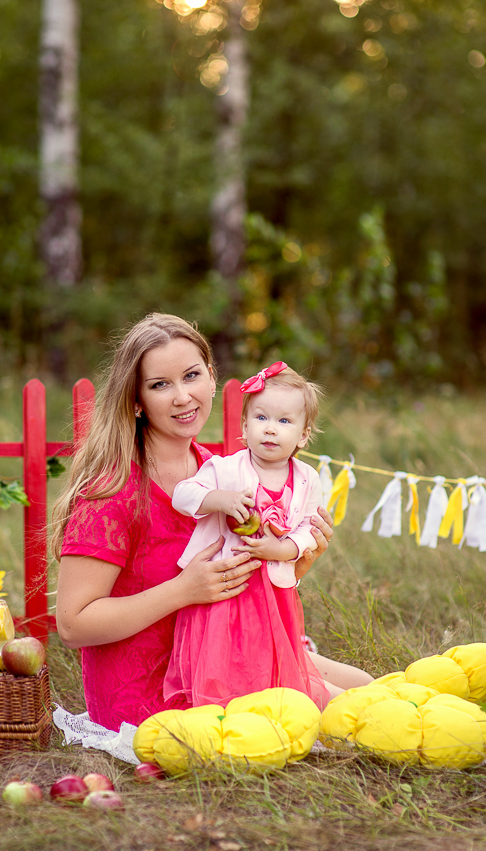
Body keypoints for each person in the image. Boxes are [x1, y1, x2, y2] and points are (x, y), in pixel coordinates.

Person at [54, 313, 372, 732]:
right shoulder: (115, 490)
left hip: (228, 650)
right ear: (136, 401)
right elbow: (73, 625)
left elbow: (242, 582)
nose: (183, 396)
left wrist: (293, 564)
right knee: (356, 716)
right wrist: (183, 591)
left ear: (211, 377)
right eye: (159, 385)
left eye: (191, 376)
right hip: (155, 686)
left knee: (367, 687)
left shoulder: (217, 471)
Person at [163, 361, 332, 710]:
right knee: (224, 653)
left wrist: (282, 549)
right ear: (244, 425)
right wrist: (219, 499)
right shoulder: (225, 469)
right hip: (227, 588)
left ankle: (269, 705)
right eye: (261, 418)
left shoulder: (306, 479)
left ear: (303, 434)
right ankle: (224, 707)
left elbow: (308, 530)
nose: (271, 430)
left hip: (272, 591)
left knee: (268, 652)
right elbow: (182, 495)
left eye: (284, 421)